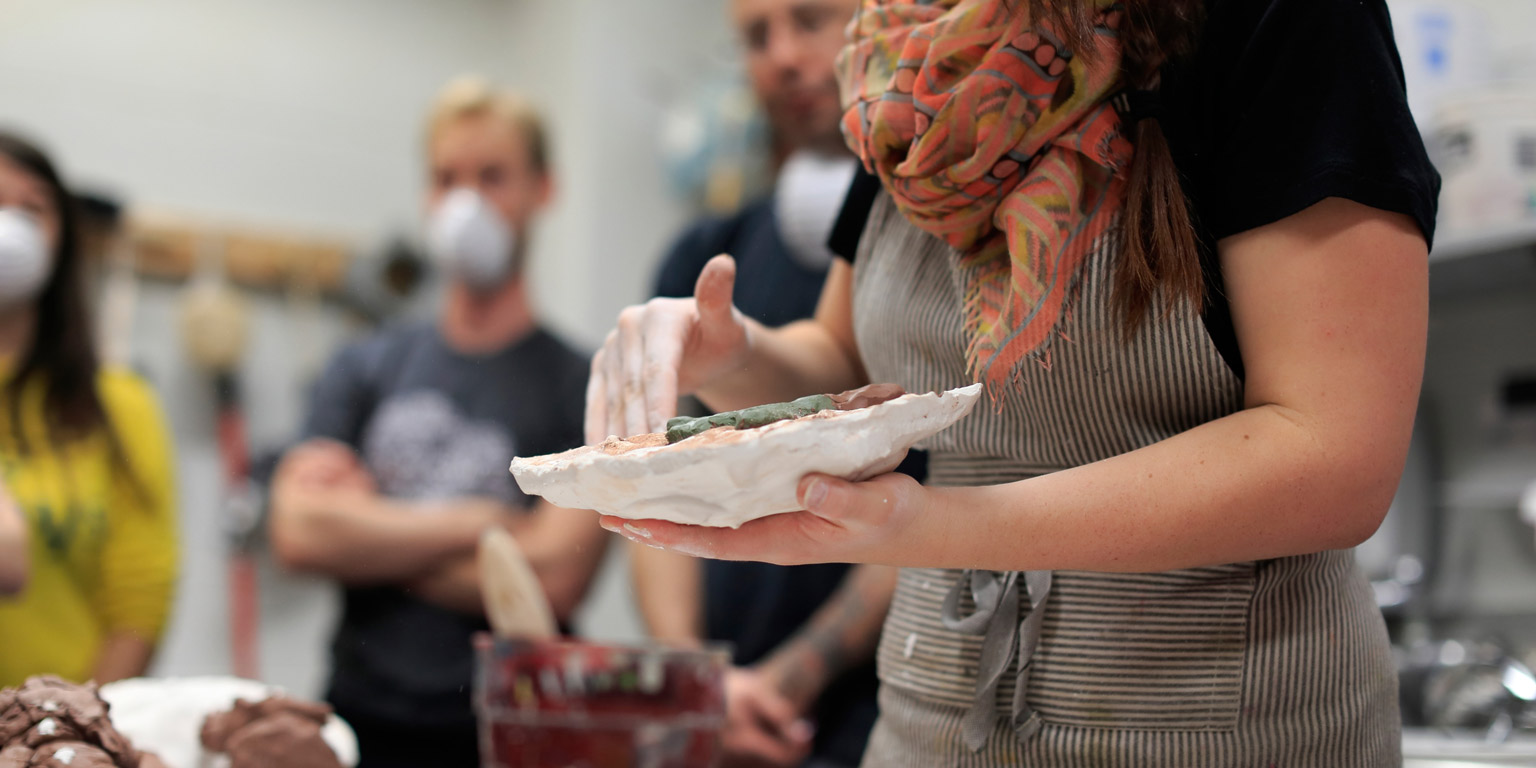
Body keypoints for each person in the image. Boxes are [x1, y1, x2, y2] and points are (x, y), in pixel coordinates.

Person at [588, 0, 1440, 764]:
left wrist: (935, 525)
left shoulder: (1270, 20)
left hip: (1212, 725)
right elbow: (847, 368)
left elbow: (1332, 454)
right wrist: (731, 356)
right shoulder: (912, 52)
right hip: (927, 724)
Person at [268, 77, 605, 768]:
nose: (464, 203)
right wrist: (481, 526)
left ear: (543, 190)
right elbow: (298, 533)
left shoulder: (583, 383)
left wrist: (366, 526)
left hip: (508, 733)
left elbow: (554, 579)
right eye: (446, 178)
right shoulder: (365, 363)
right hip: (357, 719)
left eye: (492, 177)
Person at [632, 2, 904, 766]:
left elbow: (962, 482)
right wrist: (697, 681)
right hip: (718, 712)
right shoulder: (709, 253)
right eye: (757, 36)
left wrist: (785, 685)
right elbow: (650, 480)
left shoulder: (920, 243)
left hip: (865, 717)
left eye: (810, 19)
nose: (784, 56)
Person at [0, 131, 179, 687]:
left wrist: (67, 731)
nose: (10, 229)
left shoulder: (119, 404)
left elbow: (140, 595)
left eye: (31, 209)